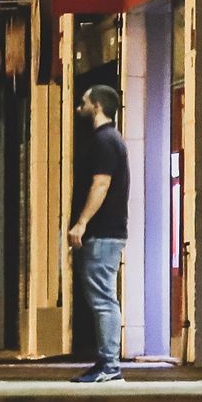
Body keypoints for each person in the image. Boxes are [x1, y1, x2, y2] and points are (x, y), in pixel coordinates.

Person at [67, 84, 130, 383]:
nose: (80, 107)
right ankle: (106, 363)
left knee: (103, 299)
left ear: (98, 106)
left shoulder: (105, 141)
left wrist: (81, 223)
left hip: (103, 232)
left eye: (84, 103)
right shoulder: (108, 140)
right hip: (106, 232)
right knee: (101, 297)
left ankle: (109, 365)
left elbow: (101, 185)